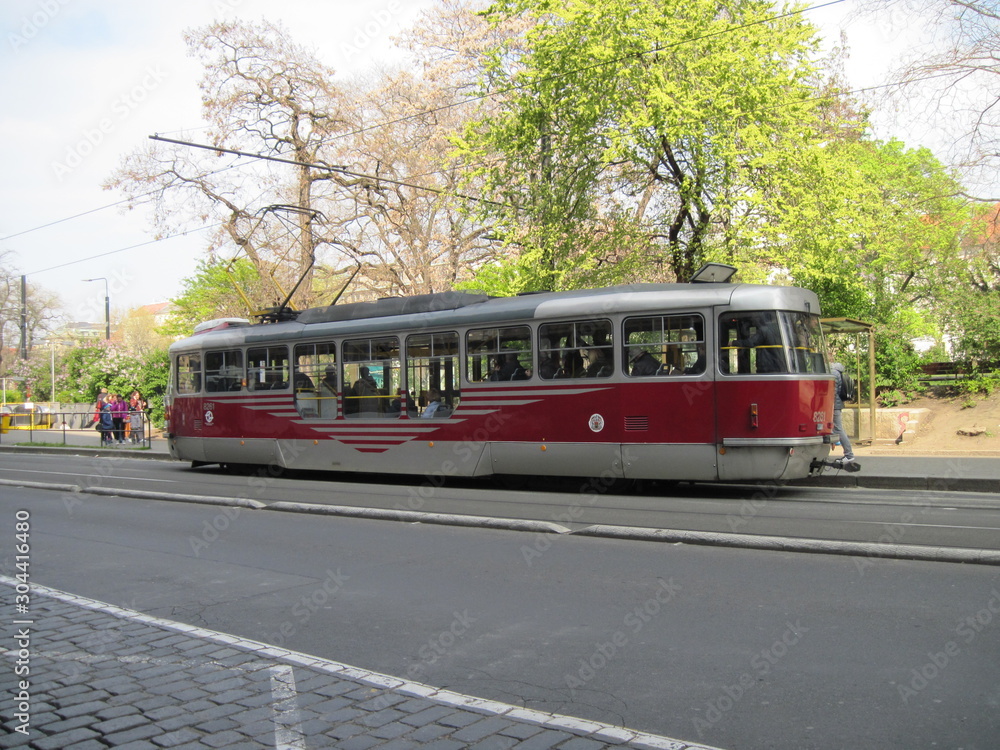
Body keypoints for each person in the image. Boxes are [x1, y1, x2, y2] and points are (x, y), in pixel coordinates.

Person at [831, 362, 856, 467]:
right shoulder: (837, 371)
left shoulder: (832, 372)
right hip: (836, 404)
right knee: (836, 429)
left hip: (833, 405)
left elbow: (832, 391)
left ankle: (849, 455)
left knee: (838, 429)